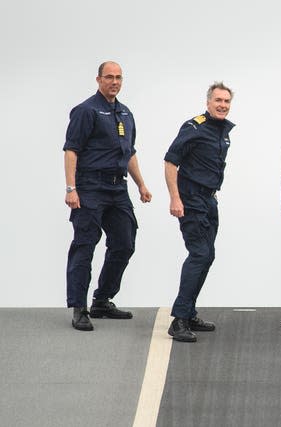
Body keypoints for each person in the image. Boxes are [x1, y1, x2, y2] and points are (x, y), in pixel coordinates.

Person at [64, 61, 152, 331]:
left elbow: (130, 152)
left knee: (125, 242)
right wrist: (71, 189)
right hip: (90, 186)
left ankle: (102, 300)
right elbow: (71, 150)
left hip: (118, 188)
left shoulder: (125, 113)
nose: (114, 82)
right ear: (98, 79)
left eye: (119, 78)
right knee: (85, 244)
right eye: (109, 77)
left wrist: (141, 185)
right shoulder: (86, 111)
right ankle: (79, 307)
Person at [164, 82, 235, 343]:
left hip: (209, 200)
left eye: (227, 101)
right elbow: (171, 161)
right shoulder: (194, 127)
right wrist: (175, 198)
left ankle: (189, 312)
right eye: (218, 100)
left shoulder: (222, 131)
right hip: (191, 199)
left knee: (208, 255)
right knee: (200, 253)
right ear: (208, 102)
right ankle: (179, 320)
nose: (222, 105)